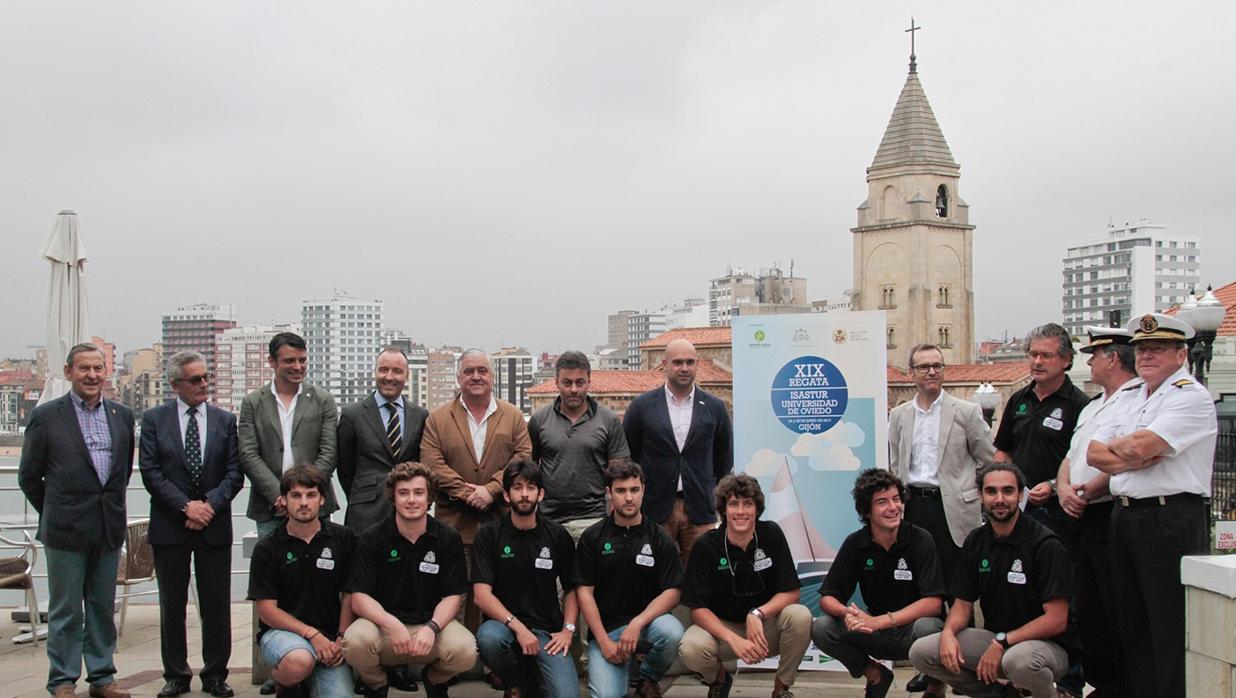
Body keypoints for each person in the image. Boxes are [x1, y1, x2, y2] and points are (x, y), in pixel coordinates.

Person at [1086, 312, 1217, 698]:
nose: (1145, 356)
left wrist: (1135, 451)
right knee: (1131, 623)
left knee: (1167, 625)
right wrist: (1138, 456)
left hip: (1170, 517)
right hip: (1125, 515)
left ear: (1181, 354)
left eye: (1157, 349)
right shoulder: (1131, 397)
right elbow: (1096, 454)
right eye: (1141, 349)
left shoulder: (1190, 396)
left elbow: (1140, 446)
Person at [19, 343, 135, 698]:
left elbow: (122, 472)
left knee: (102, 606)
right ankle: (63, 680)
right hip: (65, 529)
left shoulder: (122, 415)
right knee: (67, 609)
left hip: (107, 526)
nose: (92, 375)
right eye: (84, 368)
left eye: (98, 368)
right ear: (69, 372)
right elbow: (29, 477)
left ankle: (102, 677)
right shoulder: (48, 416)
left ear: (106, 373)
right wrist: (57, 509)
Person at [909, 463, 1074, 698]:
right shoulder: (976, 540)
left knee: (1019, 662)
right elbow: (963, 604)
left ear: (1020, 494)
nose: (999, 499)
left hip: (1044, 646)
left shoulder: (1045, 544)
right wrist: (948, 634)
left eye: (1007, 491)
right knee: (922, 651)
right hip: (996, 639)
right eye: (991, 491)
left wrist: (1002, 642)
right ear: (980, 495)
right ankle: (999, 695)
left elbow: (1057, 620)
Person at [138, 351, 244, 698]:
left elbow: (234, 473)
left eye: (205, 378)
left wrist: (209, 506)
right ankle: (176, 675)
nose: (202, 385)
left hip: (213, 525)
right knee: (172, 603)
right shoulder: (155, 420)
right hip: (171, 526)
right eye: (195, 379)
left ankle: (215, 674)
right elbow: (151, 472)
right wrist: (186, 507)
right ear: (175, 385)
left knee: (216, 602)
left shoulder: (225, 420)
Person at [991, 323, 1089, 697]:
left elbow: (1079, 460)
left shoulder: (1079, 405)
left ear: (1066, 359)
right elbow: (1003, 450)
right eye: (1032, 354)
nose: (1037, 361)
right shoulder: (1018, 400)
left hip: (1059, 518)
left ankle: (1068, 679)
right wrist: (1001, 487)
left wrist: (1054, 484)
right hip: (1018, 515)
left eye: (1046, 355)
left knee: (1062, 596)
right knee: (1018, 591)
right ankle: (1016, 674)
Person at [343, 462, 477, 698]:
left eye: (418, 493)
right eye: (403, 493)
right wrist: (390, 623)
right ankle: (376, 684)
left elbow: (452, 597)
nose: (411, 500)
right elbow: (359, 598)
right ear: (393, 499)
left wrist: (432, 627)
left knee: (465, 650)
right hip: (382, 628)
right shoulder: (372, 538)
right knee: (354, 643)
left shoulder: (448, 538)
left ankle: (435, 680)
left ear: (429, 498)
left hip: (430, 627)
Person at [421, 349, 531, 629]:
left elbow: (522, 457)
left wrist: (492, 489)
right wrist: (468, 493)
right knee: (456, 593)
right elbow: (432, 464)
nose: (476, 376)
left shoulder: (513, 416)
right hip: (455, 525)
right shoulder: (438, 418)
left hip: (501, 522)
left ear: (492, 377)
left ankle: (496, 660)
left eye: (482, 370)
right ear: (459, 377)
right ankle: (460, 659)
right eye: (469, 371)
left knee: (501, 592)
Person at [812, 469, 946, 698]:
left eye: (896, 499)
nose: (893, 507)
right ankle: (876, 674)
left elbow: (933, 603)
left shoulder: (920, 539)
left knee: (930, 628)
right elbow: (827, 598)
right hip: (874, 631)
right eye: (882, 502)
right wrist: (846, 613)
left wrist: (881, 621)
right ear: (867, 510)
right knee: (822, 628)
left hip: (911, 631)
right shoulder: (856, 543)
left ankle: (935, 687)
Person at [1054, 326, 1137, 697]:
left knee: (1113, 604)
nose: (1089, 362)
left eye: (1095, 355)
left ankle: (1121, 683)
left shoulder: (1135, 400)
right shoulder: (1092, 406)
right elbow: (1072, 457)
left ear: (1113, 358)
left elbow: (1123, 460)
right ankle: (1100, 681)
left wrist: (1087, 491)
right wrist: (1063, 488)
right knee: (1086, 607)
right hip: (1078, 516)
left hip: (1105, 512)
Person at [679, 474, 811, 698]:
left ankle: (781, 687)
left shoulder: (771, 534)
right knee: (691, 648)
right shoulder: (706, 545)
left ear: (757, 509)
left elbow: (791, 591)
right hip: (724, 630)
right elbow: (697, 610)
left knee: (800, 616)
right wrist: (734, 640)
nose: (741, 511)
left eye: (748, 504)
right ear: (724, 509)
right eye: (733, 504)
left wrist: (758, 614)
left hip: (764, 626)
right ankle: (718, 679)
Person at [575, 461, 685, 698]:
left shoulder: (659, 537)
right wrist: (604, 642)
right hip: (608, 632)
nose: (628, 498)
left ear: (643, 491)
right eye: (621, 491)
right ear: (608, 493)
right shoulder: (592, 537)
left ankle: (647, 677)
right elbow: (584, 593)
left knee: (672, 632)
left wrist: (638, 623)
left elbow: (673, 592)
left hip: (647, 628)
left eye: (634, 490)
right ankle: (621, 666)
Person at [472, 460, 580, 698]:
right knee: (488, 639)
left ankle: (532, 679)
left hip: (547, 631)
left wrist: (568, 630)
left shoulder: (556, 535)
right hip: (503, 627)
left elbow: (573, 588)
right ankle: (515, 683)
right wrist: (519, 629)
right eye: (517, 487)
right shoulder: (489, 535)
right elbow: (481, 595)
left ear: (540, 494)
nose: (524, 494)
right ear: (507, 495)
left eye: (531, 487)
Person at [247, 466, 356, 698]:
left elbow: (350, 594)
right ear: (283, 501)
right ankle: (284, 681)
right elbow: (267, 611)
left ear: (322, 499)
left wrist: (340, 637)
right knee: (298, 662)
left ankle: (306, 681)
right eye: (296, 496)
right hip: (283, 635)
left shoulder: (344, 538)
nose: (304, 502)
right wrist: (311, 635)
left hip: (330, 639)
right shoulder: (267, 548)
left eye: (311, 495)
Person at [623, 338, 733, 564]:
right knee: (652, 571)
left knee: (699, 572)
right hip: (655, 506)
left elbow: (723, 456)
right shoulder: (642, 406)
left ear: (697, 365)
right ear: (665, 364)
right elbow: (630, 456)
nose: (684, 368)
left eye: (690, 362)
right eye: (678, 362)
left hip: (700, 506)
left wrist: (710, 489)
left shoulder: (715, 407)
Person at [889, 343, 995, 575]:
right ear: (912, 373)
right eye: (924, 366)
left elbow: (988, 461)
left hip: (954, 510)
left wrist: (970, 491)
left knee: (957, 583)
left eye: (937, 366)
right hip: (914, 506)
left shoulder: (967, 412)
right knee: (917, 579)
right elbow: (896, 464)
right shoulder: (899, 415)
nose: (932, 372)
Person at [239, 331, 339, 539]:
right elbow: (248, 454)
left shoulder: (323, 400)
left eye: (302, 360)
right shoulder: (253, 403)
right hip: (271, 507)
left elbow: (329, 452)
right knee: (271, 568)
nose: (298, 366)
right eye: (289, 361)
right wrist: (280, 495)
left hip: (314, 506)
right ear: (272, 362)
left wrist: (304, 494)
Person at [528, 350, 630, 541]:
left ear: (589, 382)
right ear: (556, 382)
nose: (573, 389)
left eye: (580, 382)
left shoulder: (608, 420)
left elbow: (619, 473)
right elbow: (530, 469)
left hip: (595, 519)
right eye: (567, 383)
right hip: (549, 519)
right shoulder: (539, 420)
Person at [338, 346, 429, 534]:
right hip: (365, 512)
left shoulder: (420, 416)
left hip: (409, 513)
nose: (389, 377)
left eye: (397, 371)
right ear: (375, 373)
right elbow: (345, 468)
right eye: (383, 370)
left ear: (406, 375)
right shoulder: (352, 415)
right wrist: (363, 494)